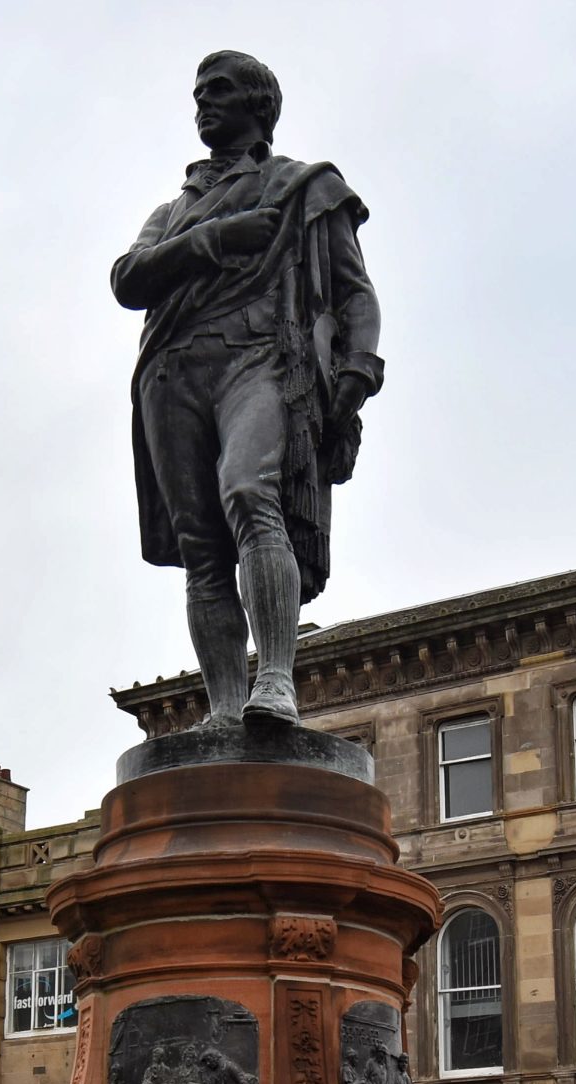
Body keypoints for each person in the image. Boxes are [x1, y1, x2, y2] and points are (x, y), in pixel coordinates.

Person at [114, 49, 382, 725]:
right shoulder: (173, 211)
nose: (203, 103)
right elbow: (127, 278)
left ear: (259, 107)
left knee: (248, 490)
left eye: (220, 91)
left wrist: (359, 366)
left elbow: (355, 295)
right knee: (202, 547)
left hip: (259, 356)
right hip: (171, 371)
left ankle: (278, 681)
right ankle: (227, 708)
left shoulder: (304, 186)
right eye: (198, 93)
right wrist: (218, 237)